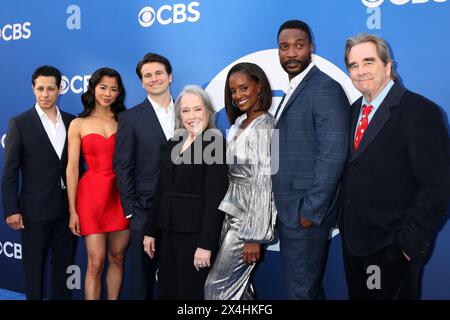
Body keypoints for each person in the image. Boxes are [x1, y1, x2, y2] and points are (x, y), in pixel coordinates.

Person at [340, 33, 450, 300]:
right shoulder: (353, 111)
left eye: (368, 62)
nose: (360, 71)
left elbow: (438, 187)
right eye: (353, 65)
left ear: (388, 66)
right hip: (354, 245)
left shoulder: (421, 112)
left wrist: (406, 247)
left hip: (391, 250)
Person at [271, 20, 349, 299]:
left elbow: (333, 153)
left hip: (304, 214)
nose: (291, 54)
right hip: (292, 211)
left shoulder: (324, 88)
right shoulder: (296, 88)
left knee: (300, 293)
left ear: (311, 48)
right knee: (306, 290)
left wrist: (310, 211)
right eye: (284, 47)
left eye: (299, 46)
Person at [143, 85, 228, 299]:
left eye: (197, 109)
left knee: (190, 295)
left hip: (195, 238)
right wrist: (151, 231)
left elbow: (215, 200)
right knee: (168, 291)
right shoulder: (174, 143)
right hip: (167, 234)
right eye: (185, 110)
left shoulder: (215, 143)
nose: (192, 116)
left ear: (208, 112)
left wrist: (205, 245)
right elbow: (161, 189)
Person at [1, 65, 78, 300]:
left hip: (66, 210)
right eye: (40, 89)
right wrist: (11, 209)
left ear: (60, 89)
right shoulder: (20, 123)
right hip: (34, 211)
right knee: (34, 269)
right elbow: (10, 171)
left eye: (50, 89)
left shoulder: (72, 122)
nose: (45, 94)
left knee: (63, 267)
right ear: (33, 89)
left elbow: (75, 167)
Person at [204, 63, 277, 300]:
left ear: (259, 87)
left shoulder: (265, 125)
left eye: (244, 88)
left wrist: (253, 236)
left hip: (247, 219)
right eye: (233, 91)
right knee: (240, 289)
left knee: (216, 289)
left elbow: (264, 183)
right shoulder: (240, 123)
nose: (238, 96)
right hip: (231, 210)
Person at [113, 53, 175, 299]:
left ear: (170, 76)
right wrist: (130, 209)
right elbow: (123, 165)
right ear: (141, 82)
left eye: (159, 73)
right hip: (144, 210)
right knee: (142, 279)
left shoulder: (189, 111)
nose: (154, 79)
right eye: (147, 75)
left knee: (174, 277)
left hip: (181, 209)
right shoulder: (130, 118)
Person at [66, 67, 129, 300]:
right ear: (93, 88)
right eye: (103, 87)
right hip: (91, 195)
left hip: (121, 195)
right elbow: (72, 169)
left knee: (118, 256)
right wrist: (72, 210)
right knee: (95, 261)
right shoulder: (78, 124)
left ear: (119, 93)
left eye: (113, 89)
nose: (107, 93)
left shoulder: (125, 121)